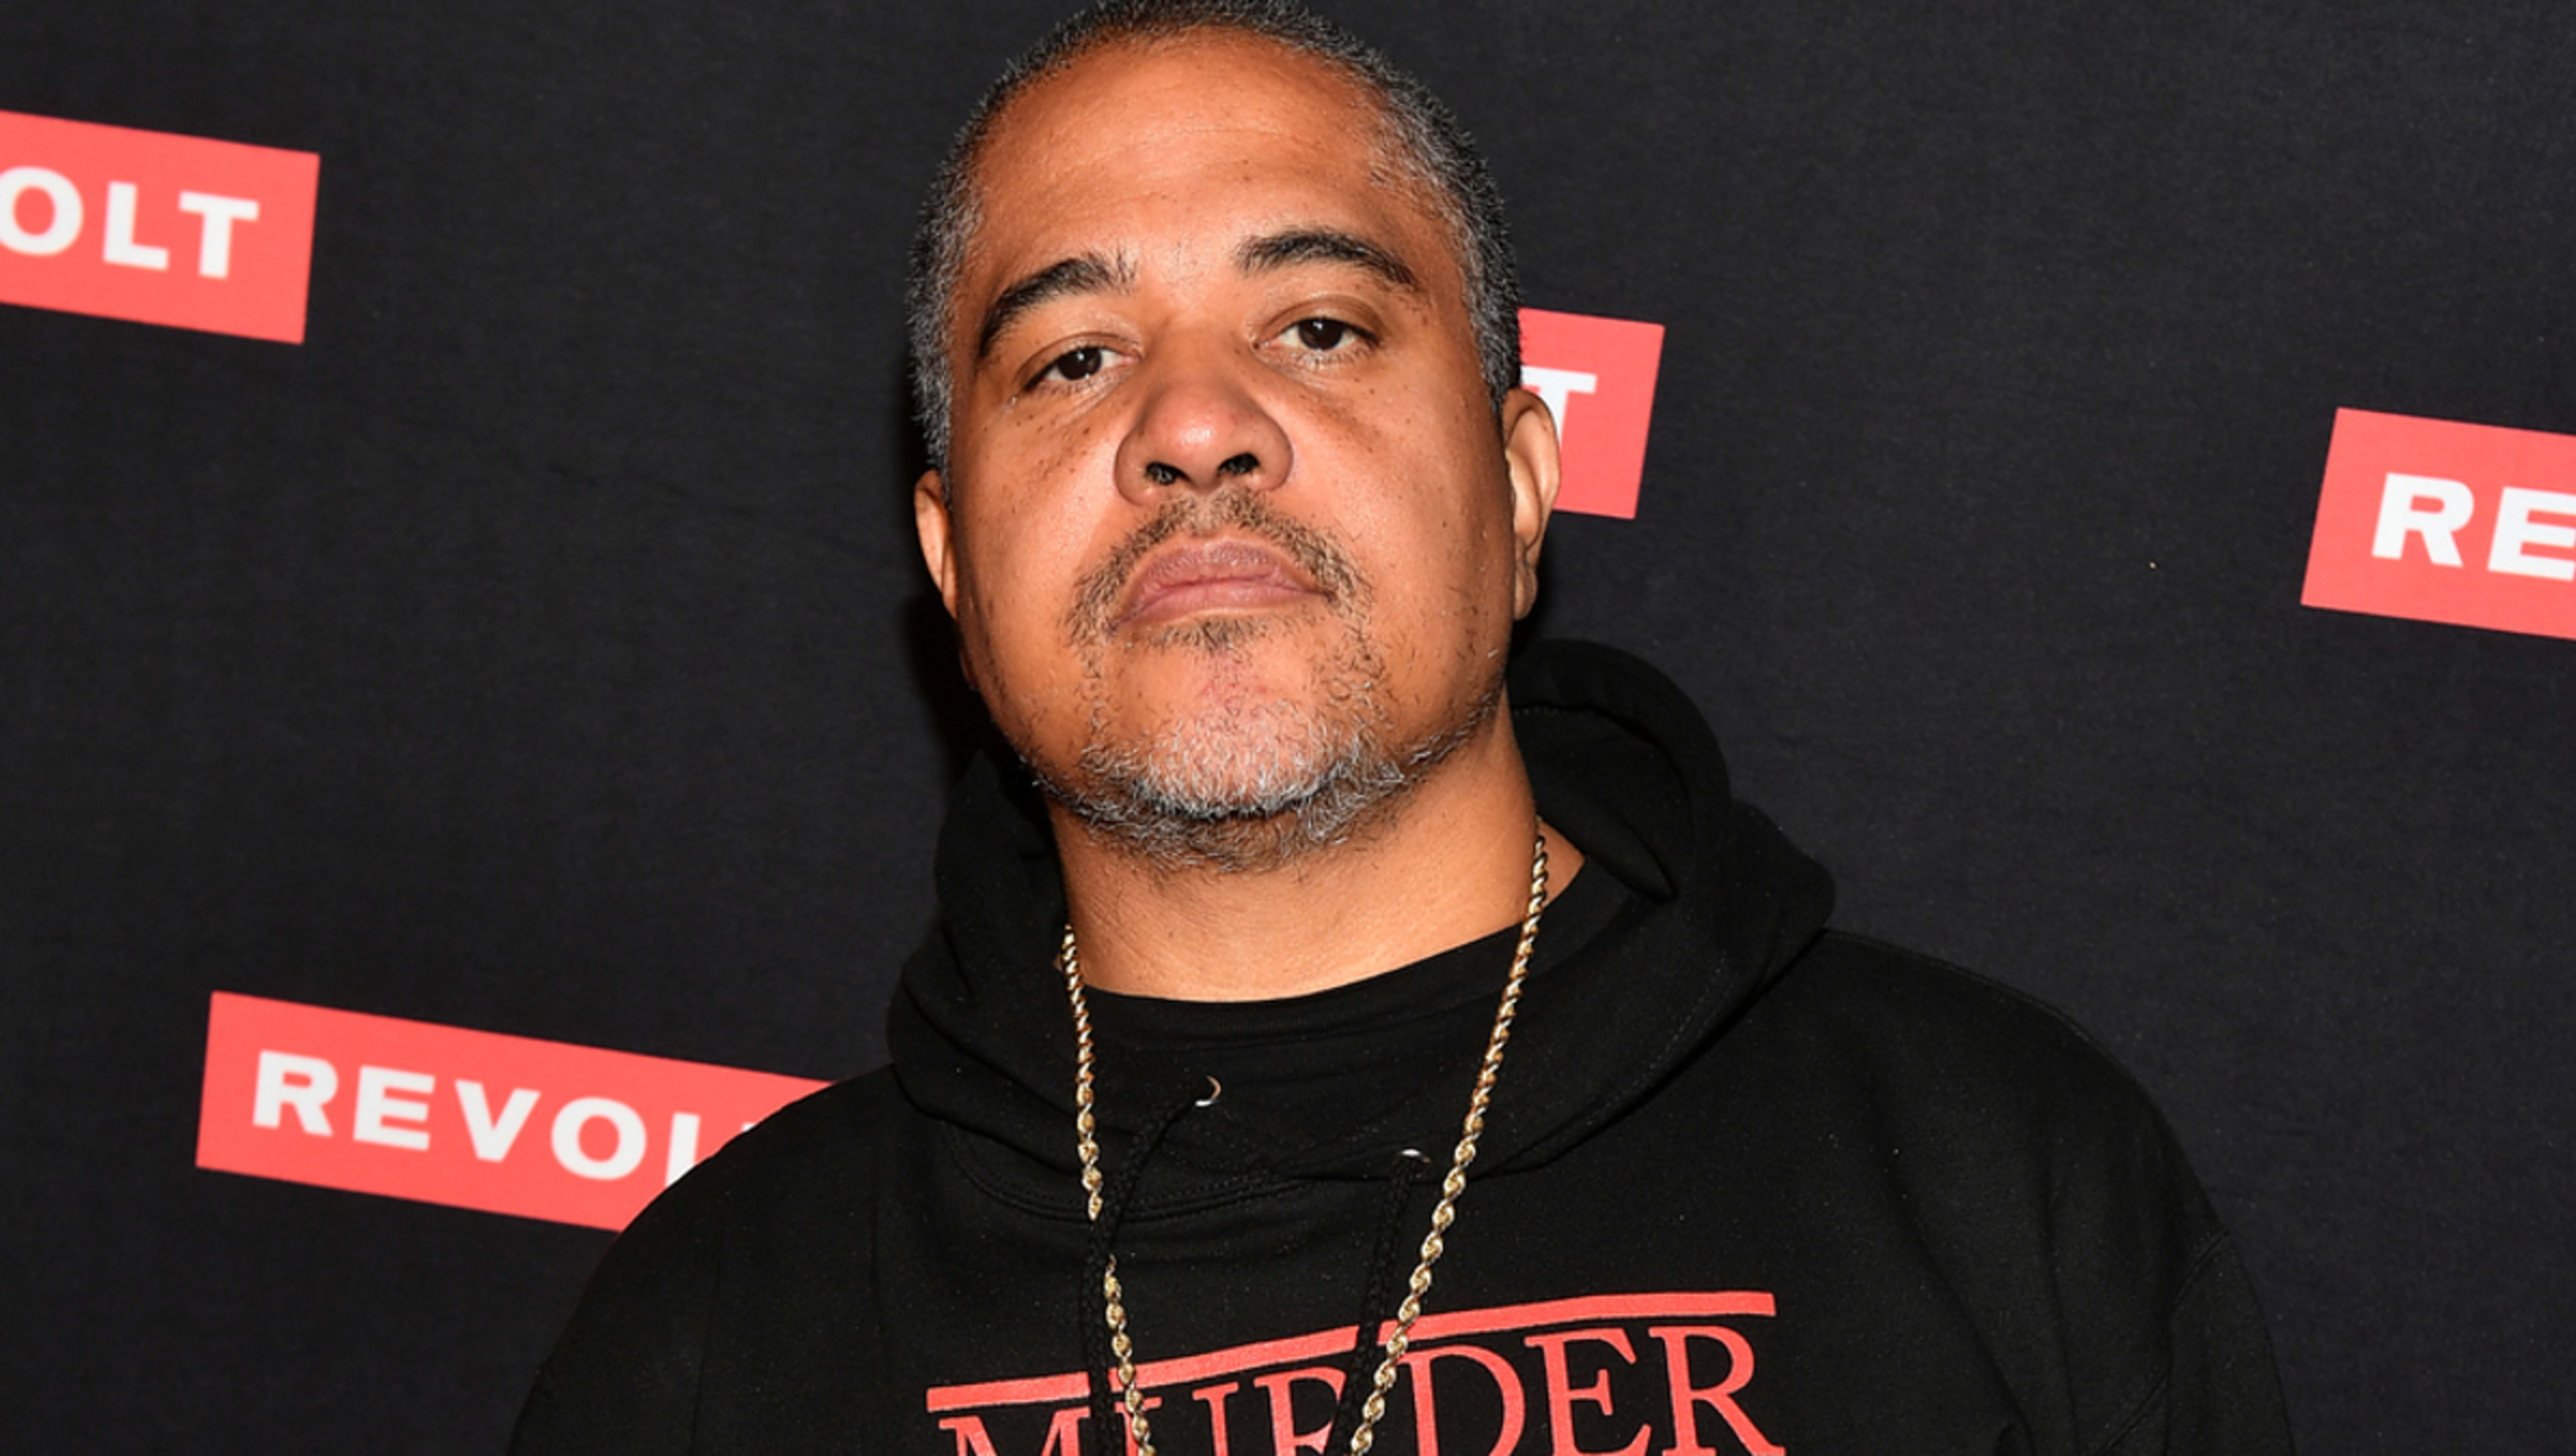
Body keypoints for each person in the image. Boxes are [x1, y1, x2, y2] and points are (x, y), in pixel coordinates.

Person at [512, 3, 2293, 1452]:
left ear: (1522, 488)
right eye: (1072, 359)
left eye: (1319, 326)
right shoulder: (728, 1329)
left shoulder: (1991, 1173)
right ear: (952, 563)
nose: (1196, 427)